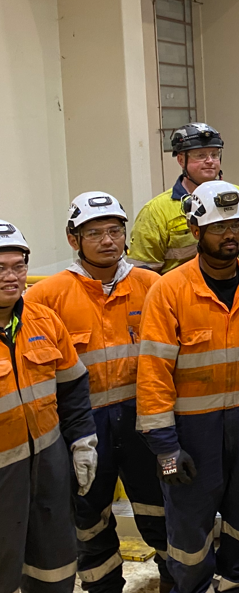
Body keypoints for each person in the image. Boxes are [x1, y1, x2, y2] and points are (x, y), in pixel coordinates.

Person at [135, 181, 239, 593]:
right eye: (218, 227)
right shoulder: (169, 290)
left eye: (238, 226)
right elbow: (153, 371)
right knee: (190, 533)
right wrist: (165, 447)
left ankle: (238, 585)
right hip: (192, 433)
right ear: (195, 231)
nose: (231, 235)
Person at [25, 193, 170, 593]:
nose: (108, 240)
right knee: (89, 520)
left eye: (115, 231)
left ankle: (177, 582)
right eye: (95, 233)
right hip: (82, 430)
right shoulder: (46, 296)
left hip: (145, 422)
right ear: (74, 239)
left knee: (161, 509)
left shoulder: (152, 286)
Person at [0, 221, 98, 593]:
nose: (12, 277)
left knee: (55, 566)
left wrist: (83, 442)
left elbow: (73, 389)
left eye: (19, 266)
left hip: (48, 467)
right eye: (0, 268)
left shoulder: (44, 319)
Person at [129, 123, 239, 273]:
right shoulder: (156, 211)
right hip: (179, 293)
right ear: (181, 160)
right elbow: (143, 276)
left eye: (214, 154)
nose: (210, 161)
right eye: (200, 155)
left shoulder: (237, 195)